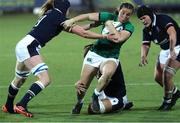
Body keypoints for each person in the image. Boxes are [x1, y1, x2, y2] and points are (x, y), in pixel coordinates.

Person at [1, 0, 114, 118]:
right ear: (65, 7)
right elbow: (83, 34)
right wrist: (104, 36)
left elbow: (75, 29)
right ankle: (21, 105)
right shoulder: (59, 16)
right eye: (69, 9)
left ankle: (8, 106)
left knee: (19, 79)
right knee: (45, 79)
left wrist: (91, 25)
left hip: (23, 44)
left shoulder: (52, 14)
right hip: (29, 47)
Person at [64, 2, 134, 113]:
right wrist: (72, 21)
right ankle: (79, 102)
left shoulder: (129, 26)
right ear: (118, 10)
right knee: (82, 85)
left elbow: (118, 39)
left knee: (107, 74)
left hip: (111, 56)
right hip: (95, 53)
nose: (124, 16)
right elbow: (87, 16)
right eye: (123, 13)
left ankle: (95, 95)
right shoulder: (108, 16)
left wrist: (109, 25)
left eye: (128, 15)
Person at [137, 5, 180, 110]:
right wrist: (143, 55)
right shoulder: (147, 30)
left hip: (177, 47)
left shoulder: (163, 19)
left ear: (150, 15)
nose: (143, 21)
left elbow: (172, 33)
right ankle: (174, 92)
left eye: (144, 17)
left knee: (167, 74)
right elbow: (145, 44)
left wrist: (171, 49)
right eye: (141, 19)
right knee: (158, 77)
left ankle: (167, 101)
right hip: (165, 50)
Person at [75, 44, 133, 114]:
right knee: (92, 106)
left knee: (92, 109)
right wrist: (78, 84)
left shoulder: (111, 63)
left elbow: (106, 79)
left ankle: (123, 104)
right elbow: (86, 80)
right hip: (102, 95)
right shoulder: (94, 66)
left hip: (116, 97)